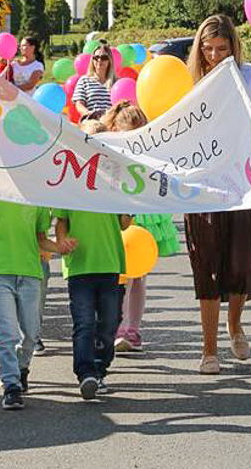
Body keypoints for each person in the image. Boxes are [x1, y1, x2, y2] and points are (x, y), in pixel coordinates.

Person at [183, 14, 251, 374]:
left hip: (245, 185)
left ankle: (235, 325)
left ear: (234, 46)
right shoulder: (191, 83)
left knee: (239, 263)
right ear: (199, 51)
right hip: (203, 186)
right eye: (208, 50)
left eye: (223, 49)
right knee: (207, 266)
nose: (216, 56)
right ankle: (208, 349)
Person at [0, 197, 71, 410]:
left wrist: (58, 247)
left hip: (30, 272)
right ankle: (11, 386)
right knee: (7, 332)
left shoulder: (36, 196)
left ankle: (21, 368)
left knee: (31, 331)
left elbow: (40, 238)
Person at [101, 102, 180, 353]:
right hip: (116, 215)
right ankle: (117, 326)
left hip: (141, 217)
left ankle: (131, 329)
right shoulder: (108, 149)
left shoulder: (149, 151)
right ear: (116, 129)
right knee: (119, 277)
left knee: (138, 276)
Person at [54, 193, 132, 399]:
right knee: (84, 322)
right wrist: (62, 241)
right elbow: (61, 220)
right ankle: (86, 373)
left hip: (110, 263)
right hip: (79, 265)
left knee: (110, 321)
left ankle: (100, 366)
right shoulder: (70, 183)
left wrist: (131, 205)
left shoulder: (112, 185)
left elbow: (124, 224)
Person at [72, 43, 114, 119]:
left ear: (109, 61)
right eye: (96, 57)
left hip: (112, 124)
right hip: (92, 123)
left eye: (104, 57)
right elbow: (79, 103)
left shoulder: (116, 82)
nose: (99, 60)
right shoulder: (84, 80)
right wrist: (87, 113)